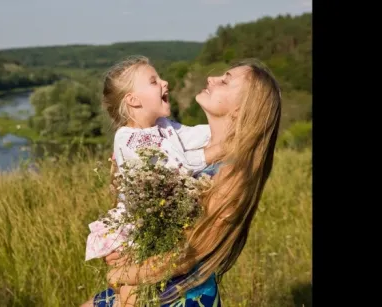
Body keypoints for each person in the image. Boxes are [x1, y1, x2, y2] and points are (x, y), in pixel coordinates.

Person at [83, 58, 282, 307]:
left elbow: (188, 254)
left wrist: (122, 274)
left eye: (225, 81)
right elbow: (143, 207)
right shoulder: (181, 141)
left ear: (241, 109)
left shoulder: (231, 173)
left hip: (180, 296)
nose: (211, 78)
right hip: (151, 283)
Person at [84, 55, 214, 263]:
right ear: (133, 100)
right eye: (154, 81)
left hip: (164, 218)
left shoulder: (164, 125)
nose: (165, 83)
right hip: (140, 227)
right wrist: (213, 152)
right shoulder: (127, 138)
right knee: (133, 283)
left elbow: (194, 135)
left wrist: (227, 128)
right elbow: (176, 169)